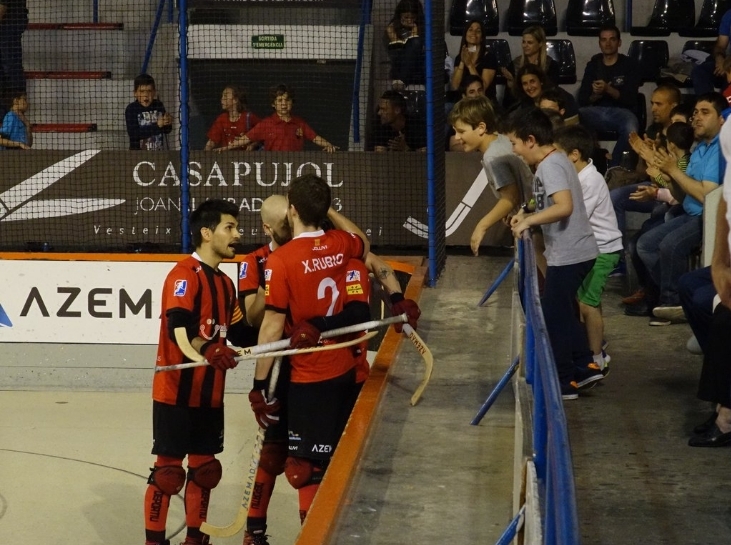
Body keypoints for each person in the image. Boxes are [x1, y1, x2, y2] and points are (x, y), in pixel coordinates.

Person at [251, 174, 371, 526]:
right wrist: (327, 212)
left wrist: (260, 386)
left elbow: (272, 326)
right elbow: (362, 242)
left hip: (308, 375)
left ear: (291, 211)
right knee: (331, 460)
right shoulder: (340, 243)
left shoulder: (281, 260)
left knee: (304, 469)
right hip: (344, 369)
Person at [144, 199, 258, 545]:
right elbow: (178, 329)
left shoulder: (225, 284)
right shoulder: (183, 275)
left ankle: (196, 539)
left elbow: (242, 335)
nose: (237, 234)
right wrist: (208, 348)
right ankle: (153, 541)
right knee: (168, 473)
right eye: (230, 227)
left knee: (205, 471)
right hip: (175, 393)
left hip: (211, 395)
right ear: (206, 234)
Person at [506, 108, 601, 400]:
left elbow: (563, 206)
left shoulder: (550, 165)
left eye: (515, 143)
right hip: (572, 252)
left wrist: (529, 221)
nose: (515, 150)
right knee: (559, 311)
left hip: (571, 253)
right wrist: (526, 211)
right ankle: (585, 366)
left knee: (552, 315)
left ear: (531, 140)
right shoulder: (552, 162)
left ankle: (564, 381)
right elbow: (543, 199)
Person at [635, 93, 725, 324]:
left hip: (706, 218)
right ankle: (674, 294)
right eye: (695, 112)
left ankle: (671, 301)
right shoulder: (700, 149)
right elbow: (680, 194)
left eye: (705, 113)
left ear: (722, 120)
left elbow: (708, 196)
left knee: (669, 245)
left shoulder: (720, 150)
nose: (696, 118)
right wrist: (667, 172)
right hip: (688, 211)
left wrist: (674, 171)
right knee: (645, 245)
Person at [553, 124, 623, 374]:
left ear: (573, 154)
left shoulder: (590, 180)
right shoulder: (578, 177)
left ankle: (595, 358)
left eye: (558, 154)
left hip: (604, 250)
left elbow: (574, 214)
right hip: (589, 249)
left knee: (587, 305)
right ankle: (596, 349)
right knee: (587, 302)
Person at [688, 118, 731, 446]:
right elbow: (725, 199)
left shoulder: (713, 151)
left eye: (703, 112)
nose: (695, 118)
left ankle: (725, 410)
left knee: (655, 245)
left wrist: (669, 173)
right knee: (692, 288)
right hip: (676, 210)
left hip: (691, 218)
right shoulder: (692, 149)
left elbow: (704, 193)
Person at [447, 95, 533, 255]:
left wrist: (482, 226)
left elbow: (510, 198)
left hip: (534, 221)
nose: (457, 138)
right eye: (455, 131)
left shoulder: (493, 157)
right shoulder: (500, 141)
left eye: (461, 131)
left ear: (481, 127)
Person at [577, 24, 641, 168]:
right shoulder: (593, 65)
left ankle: (614, 167)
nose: (608, 43)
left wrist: (608, 89)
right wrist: (595, 94)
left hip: (622, 112)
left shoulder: (629, 65)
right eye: (604, 40)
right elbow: (583, 99)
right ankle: (593, 160)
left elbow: (630, 99)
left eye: (612, 39)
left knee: (631, 128)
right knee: (575, 117)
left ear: (619, 42)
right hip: (596, 111)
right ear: (599, 43)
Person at [226, 84, 337, 152]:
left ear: (292, 102)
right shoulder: (266, 123)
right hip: (271, 168)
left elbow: (315, 137)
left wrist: (328, 145)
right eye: (280, 101)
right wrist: (225, 148)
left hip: (295, 166)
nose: (284, 104)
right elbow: (244, 139)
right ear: (273, 104)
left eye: (287, 100)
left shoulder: (299, 123)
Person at [501, 25, 559, 108]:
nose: (525, 45)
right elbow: (508, 102)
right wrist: (512, 85)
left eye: (530, 42)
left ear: (540, 44)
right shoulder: (515, 64)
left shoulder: (551, 65)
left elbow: (552, 93)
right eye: (524, 42)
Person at [449, 19, 498, 104]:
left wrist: (470, 65)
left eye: (478, 31)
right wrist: (462, 62)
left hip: (483, 103)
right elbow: (455, 86)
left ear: (482, 37)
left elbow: (483, 88)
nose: (473, 33)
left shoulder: (490, 58)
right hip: (464, 103)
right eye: (470, 30)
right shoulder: (459, 58)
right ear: (465, 34)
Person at [204, 85, 261, 151]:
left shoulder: (249, 117)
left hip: (246, 158)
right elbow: (212, 141)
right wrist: (205, 154)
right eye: (222, 96)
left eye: (225, 96)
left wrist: (253, 144)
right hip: (227, 158)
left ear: (235, 100)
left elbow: (263, 134)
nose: (222, 99)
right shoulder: (222, 119)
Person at [125, 73, 173, 151]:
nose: (146, 95)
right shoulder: (132, 109)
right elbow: (134, 134)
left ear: (154, 92)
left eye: (149, 91)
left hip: (159, 153)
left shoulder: (158, 105)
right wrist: (157, 126)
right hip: (138, 155)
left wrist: (167, 122)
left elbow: (167, 130)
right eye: (142, 91)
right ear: (135, 93)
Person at [385, 0, 425, 87]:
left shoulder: (423, 27)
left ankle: (401, 80)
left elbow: (417, 47)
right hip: (399, 65)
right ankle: (400, 81)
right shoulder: (392, 28)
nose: (409, 20)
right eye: (406, 17)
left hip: (419, 68)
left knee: (416, 42)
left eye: (413, 18)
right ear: (400, 16)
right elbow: (396, 53)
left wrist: (414, 30)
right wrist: (393, 34)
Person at [692, 8, 731, 95]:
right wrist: (719, 58)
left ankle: (723, 105)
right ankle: (707, 105)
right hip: (727, 62)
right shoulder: (729, 15)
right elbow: (720, 46)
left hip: (729, 64)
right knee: (700, 71)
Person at [0, 0, 27, 102]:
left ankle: (16, 106)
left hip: (10, 22)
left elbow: (2, 7)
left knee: (11, 68)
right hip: (10, 21)